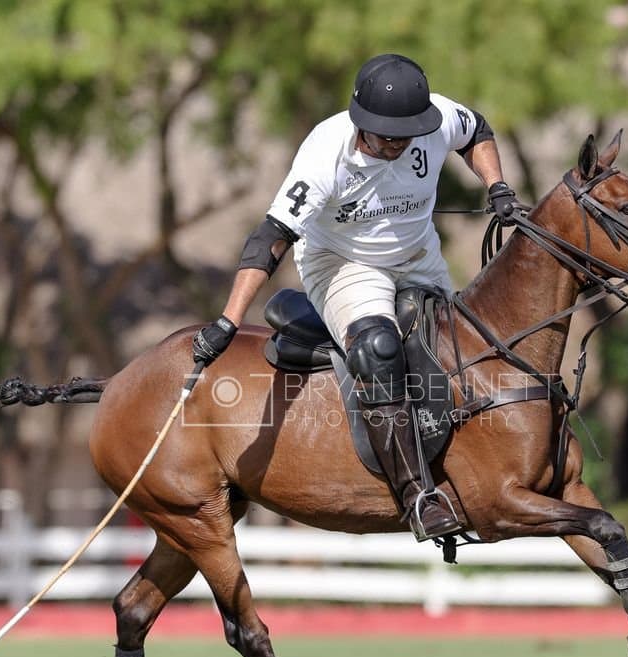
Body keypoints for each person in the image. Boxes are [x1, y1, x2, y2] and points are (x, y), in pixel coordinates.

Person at [191, 53, 518, 540]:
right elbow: (270, 239)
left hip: (418, 255)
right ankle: (418, 497)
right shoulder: (325, 155)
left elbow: (477, 131)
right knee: (378, 349)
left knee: (462, 349)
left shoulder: (431, 121)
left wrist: (497, 187)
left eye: (404, 138)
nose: (396, 146)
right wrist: (228, 321)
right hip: (343, 265)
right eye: (386, 137)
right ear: (361, 122)